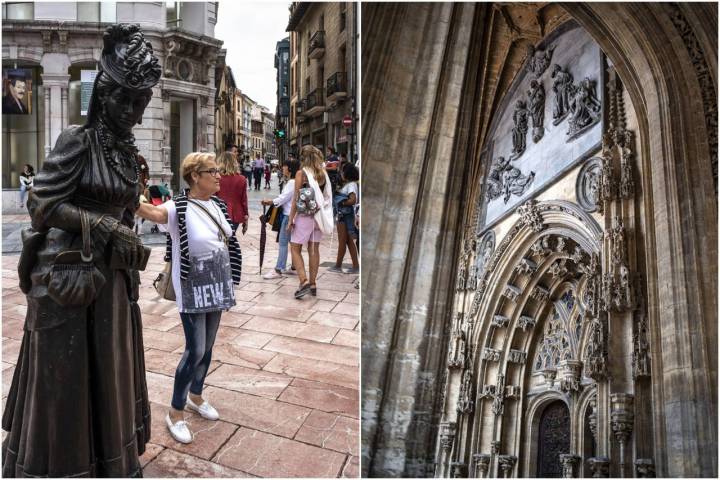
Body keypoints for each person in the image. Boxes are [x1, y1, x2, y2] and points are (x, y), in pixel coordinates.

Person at [2, 24, 160, 477]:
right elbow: (43, 203)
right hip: (69, 281)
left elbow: (126, 207)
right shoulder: (78, 139)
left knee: (108, 373)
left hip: (111, 281)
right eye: (122, 99)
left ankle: (109, 462)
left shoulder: (127, 152)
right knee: (68, 383)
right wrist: (105, 225)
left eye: (139, 102)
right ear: (102, 96)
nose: (130, 111)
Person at [136, 152, 242, 444]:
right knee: (194, 350)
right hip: (193, 288)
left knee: (207, 348)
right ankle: (175, 412)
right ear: (195, 176)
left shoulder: (217, 204)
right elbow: (153, 214)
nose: (219, 175)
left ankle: (196, 395)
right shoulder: (179, 206)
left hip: (218, 284)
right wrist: (129, 195)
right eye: (212, 171)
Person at [288, 145, 333, 298]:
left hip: (305, 217)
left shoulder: (302, 174)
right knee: (314, 249)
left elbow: (295, 199)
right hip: (319, 217)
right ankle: (313, 283)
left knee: (295, 248)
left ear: (303, 158)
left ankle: (304, 281)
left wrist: (290, 219)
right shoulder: (323, 174)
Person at [261, 158, 300, 279]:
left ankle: (278, 269)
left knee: (283, 243)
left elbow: (284, 198)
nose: (282, 168)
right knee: (292, 242)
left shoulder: (292, 183)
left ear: (289, 168)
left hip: (288, 216)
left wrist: (270, 201)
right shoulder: (295, 182)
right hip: (293, 216)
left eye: (284, 166)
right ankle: (294, 266)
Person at [328, 163, 360, 274]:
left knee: (343, 240)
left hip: (344, 214)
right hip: (345, 214)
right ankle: (355, 266)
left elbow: (353, 200)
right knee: (348, 241)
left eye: (342, 171)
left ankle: (338, 265)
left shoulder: (351, 185)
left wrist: (341, 202)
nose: (341, 173)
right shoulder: (350, 184)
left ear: (347, 173)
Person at [216, 151, 248, 235]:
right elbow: (244, 200)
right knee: (231, 238)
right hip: (236, 214)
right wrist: (246, 216)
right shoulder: (242, 179)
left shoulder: (217, 178)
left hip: (219, 213)